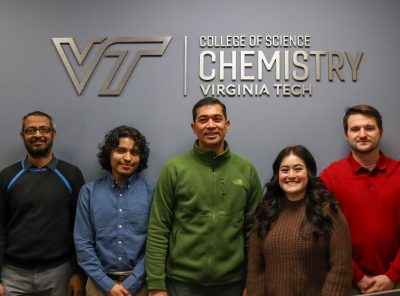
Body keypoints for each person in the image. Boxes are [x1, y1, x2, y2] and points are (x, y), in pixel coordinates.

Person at [146, 97, 262, 296]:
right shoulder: (174, 169)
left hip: (232, 284)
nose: (211, 125)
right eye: (203, 119)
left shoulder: (246, 170)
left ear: (227, 125)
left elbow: (254, 232)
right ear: (193, 127)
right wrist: (156, 286)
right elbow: (159, 228)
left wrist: (252, 281)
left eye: (217, 119)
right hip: (181, 283)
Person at [247, 145, 352, 296]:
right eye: (285, 170)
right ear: (277, 175)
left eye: (298, 169)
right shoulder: (265, 214)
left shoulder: (328, 212)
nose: (291, 175)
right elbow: (255, 271)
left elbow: (341, 268)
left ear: (308, 172)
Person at [0, 111, 86, 296]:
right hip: (12, 275)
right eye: (31, 130)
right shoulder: (7, 176)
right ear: (22, 136)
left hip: (59, 273)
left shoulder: (71, 175)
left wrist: (78, 272)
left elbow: (80, 228)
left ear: (53, 134)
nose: (38, 135)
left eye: (44, 129)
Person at [320, 104, 400, 294]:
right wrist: (357, 276)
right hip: (348, 283)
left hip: (397, 282)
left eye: (369, 128)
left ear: (380, 132)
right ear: (346, 134)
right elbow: (323, 235)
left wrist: (392, 275)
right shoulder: (329, 177)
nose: (362, 134)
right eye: (355, 129)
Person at [74, 125, 154, 296]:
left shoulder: (152, 192)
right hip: (98, 286)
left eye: (134, 152)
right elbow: (83, 243)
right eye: (120, 150)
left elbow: (156, 244)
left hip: (141, 286)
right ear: (109, 154)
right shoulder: (89, 192)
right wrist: (107, 285)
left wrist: (131, 283)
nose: (127, 158)